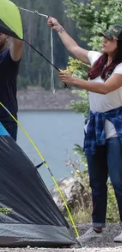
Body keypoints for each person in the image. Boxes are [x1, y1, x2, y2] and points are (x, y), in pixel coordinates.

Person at [48, 17, 122, 244]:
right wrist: (59, 27)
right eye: (104, 36)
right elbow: (73, 48)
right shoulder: (97, 59)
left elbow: (106, 88)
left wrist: (76, 81)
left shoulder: (121, 67)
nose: (104, 40)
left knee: (119, 180)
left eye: (110, 38)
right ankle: (97, 227)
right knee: (97, 181)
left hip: (115, 129)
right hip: (94, 127)